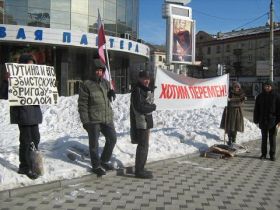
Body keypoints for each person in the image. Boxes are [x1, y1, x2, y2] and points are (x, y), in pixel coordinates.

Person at [78, 58, 117, 176]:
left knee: (112, 139)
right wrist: (85, 121)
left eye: (101, 70)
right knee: (94, 145)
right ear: (92, 71)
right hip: (93, 120)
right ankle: (96, 166)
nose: (99, 72)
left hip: (106, 117)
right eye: (97, 70)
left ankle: (104, 160)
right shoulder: (86, 85)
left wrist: (111, 92)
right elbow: (82, 105)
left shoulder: (105, 83)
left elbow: (107, 97)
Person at [10, 53, 43, 179]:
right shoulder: (15, 79)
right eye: (28, 66)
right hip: (23, 115)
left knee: (36, 140)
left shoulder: (36, 80)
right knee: (26, 142)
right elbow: (7, 94)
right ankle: (24, 167)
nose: (31, 68)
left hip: (34, 114)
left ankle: (34, 165)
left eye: (32, 66)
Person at [130, 70, 156, 179]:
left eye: (148, 79)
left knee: (145, 146)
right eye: (144, 78)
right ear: (139, 79)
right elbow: (140, 107)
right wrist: (153, 107)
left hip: (146, 121)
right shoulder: (137, 90)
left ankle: (141, 168)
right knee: (142, 146)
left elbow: (147, 102)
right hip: (141, 122)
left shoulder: (145, 89)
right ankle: (139, 171)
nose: (147, 81)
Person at [254, 80, 280, 161]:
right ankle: (263, 154)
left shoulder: (276, 96)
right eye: (266, 86)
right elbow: (256, 109)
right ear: (264, 87)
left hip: (273, 120)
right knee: (264, 138)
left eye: (269, 86)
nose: (267, 87)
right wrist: (256, 119)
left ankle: (272, 155)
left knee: (272, 138)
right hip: (263, 120)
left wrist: (279, 121)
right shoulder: (260, 96)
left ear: (271, 87)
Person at [220, 82, 246, 146]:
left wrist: (231, 100)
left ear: (239, 87)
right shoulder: (229, 93)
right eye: (235, 87)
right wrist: (226, 100)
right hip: (229, 111)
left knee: (235, 127)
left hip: (237, 113)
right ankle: (229, 139)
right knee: (229, 126)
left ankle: (234, 139)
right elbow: (226, 102)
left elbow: (240, 103)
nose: (236, 88)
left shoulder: (242, 94)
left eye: (237, 87)